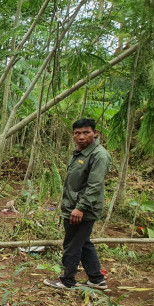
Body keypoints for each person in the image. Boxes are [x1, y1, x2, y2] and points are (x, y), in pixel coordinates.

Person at [44, 118, 111, 290]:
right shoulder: (80, 152)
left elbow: (94, 185)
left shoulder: (98, 155)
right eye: (77, 133)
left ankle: (67, 280)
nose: (81, 137)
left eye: (86, 132)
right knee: (83, 242)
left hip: (83, 209)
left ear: (95, 133)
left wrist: (80, 208)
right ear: (73, 135)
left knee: (72, 244)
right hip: (73, 206)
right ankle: (96, 278)